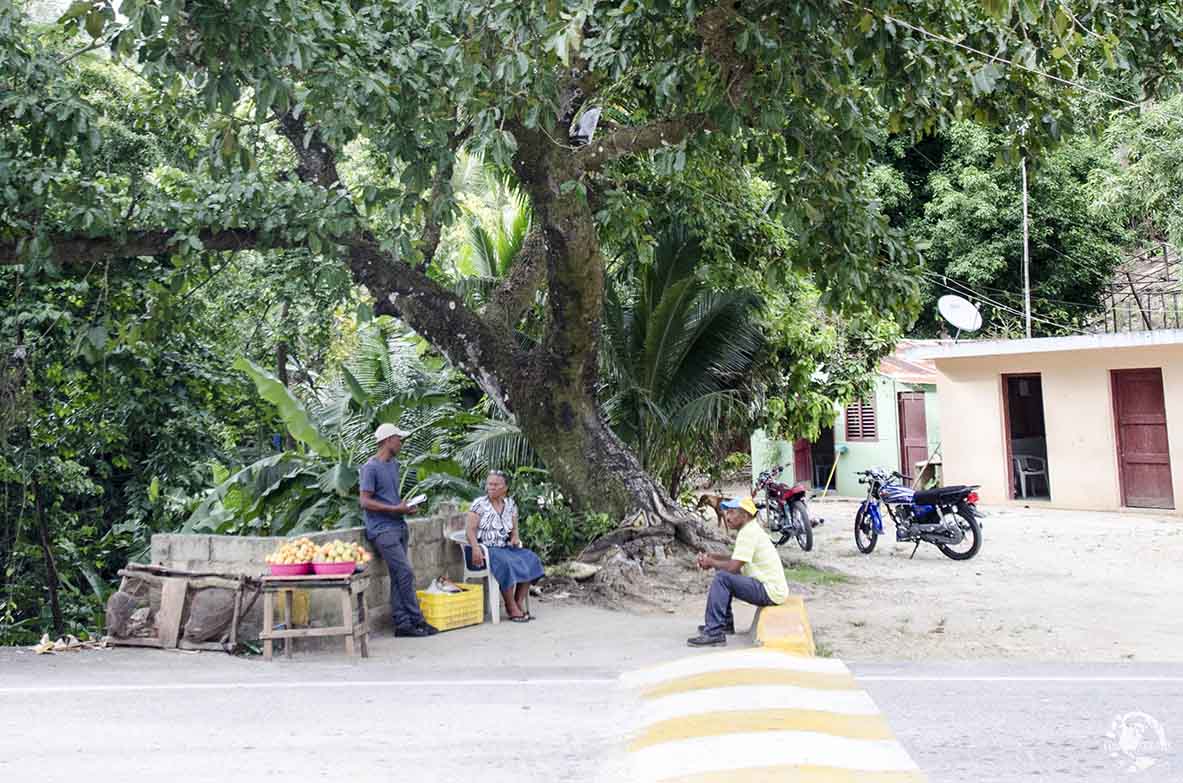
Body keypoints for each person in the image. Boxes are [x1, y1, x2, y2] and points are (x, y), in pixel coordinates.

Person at [359, 423, 438, 637]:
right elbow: (365, 501)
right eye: (398, 439)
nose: (401, 443)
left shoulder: (393, 465)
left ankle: (403, 625)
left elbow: (389, 497)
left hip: (398, 526)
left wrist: (404, 507)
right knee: (405, 572)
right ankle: (417, 620)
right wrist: (395, 508)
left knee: (398, 576)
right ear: (387, 441)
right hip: (382, 530)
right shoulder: (370, 467)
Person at [686, 496, 789, 647]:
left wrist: (711, 562)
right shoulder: (751, 529)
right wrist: (713, 557)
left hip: (770, 591)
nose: (727, 517)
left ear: (745, 515)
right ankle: (724, 624)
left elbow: (734, 567)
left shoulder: (748, 533)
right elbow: (737, 559)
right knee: (723, 574)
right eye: (727, 512)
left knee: (723, 577)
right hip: (771, 588)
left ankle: (714, 633)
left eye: (732, 512)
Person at [464, 470, 545, 622]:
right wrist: (475, 548)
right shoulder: (479, 504)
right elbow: (469, 530)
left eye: (496, 484)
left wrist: (515, 537)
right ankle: (510, 605)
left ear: (505, 488)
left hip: (506, 547)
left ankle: (518, 602)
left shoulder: (510, 504)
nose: (491, 487)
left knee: (531, 559)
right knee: (507, 563)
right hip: (487, 549)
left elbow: (514, 529)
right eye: (489, 484)